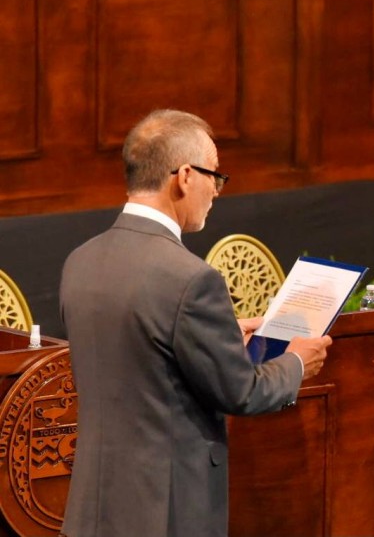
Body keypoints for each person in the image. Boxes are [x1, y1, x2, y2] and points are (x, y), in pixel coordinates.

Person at [59, 109, 332, 537]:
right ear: (185, 176)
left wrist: (217, 336)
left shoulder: (80, 261)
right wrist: (296, 362)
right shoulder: (190, 279)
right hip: (167, 512)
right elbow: (242, 392)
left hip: (91, 509)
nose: (217, 191)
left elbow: (139, 359)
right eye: (215, 176)